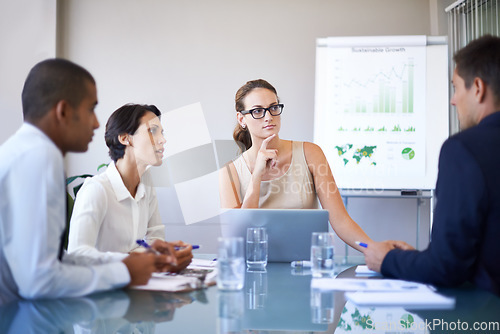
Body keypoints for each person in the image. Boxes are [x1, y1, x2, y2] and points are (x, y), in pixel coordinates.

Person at [0, 59, 169, 302]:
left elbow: (58, 259)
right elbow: (39, 281)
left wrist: (132, 262)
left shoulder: (26, 152)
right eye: (91, 109)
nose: (97, 123)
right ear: (64, 111)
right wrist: (125, 272)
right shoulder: (41, 157)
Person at [362, 35, 500, 295]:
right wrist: (423, 261)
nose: (453, 100)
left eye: (456, 88)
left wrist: (387, 260)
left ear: (478, 88)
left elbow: (447, 268)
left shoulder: (464, 149)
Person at [219, 79, 376, 251]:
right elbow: (236, 239)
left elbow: (341, 220)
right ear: (241, 119)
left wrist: (377, 252)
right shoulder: (229, 172)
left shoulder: (311, 153)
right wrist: (256, 175)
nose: (269, 117)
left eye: (273, 107)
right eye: (257, 111)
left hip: (305, 266)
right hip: (254, 267)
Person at [68, 104, 192, 272]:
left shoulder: (146, 184)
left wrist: (164, 255)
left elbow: (155, 236)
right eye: (153, 131)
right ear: (125, 138)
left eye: (161, 132)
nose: (163, 140)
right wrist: (139, 259)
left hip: (138, 283)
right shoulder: (96, 190)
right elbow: (78, 255)